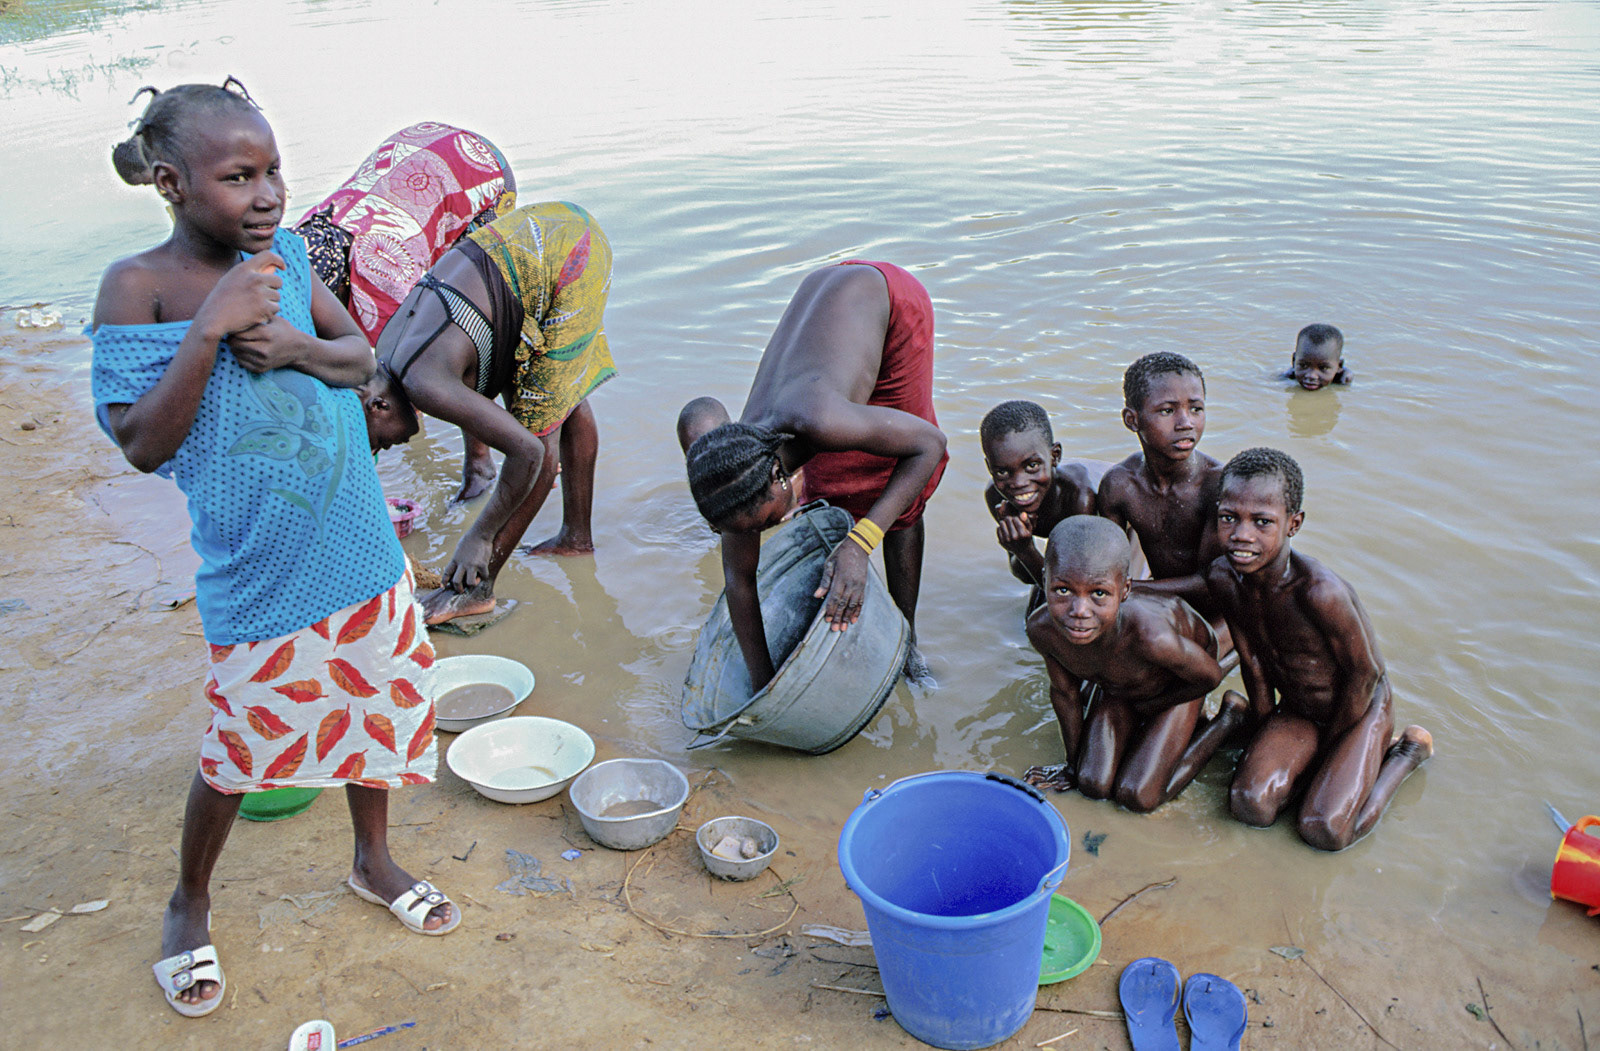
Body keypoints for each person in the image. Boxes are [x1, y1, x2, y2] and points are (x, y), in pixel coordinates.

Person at [93, 81, 456, 1018]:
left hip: (360, 546)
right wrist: (211, 323)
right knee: (239, 745)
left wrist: (293, 346)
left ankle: (372, 858)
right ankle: (189, 900)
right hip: (260, 568)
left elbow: (362, 360)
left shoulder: (289, 256)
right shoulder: (138, 287)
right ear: (172, 184)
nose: (266, 195)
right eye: (238, 177)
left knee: (376, 709)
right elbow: (141, 442)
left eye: (273, 171)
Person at [678, 261, 949, 688]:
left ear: (777, 476)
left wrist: (860, 543)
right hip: (826, 309)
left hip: (888, 298)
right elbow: (739, 582)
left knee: (893, 486)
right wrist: (764, 687)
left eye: (768, 521)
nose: (769, 529)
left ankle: (908, 639)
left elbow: (929, 445)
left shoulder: (819, 419)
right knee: (834, 482)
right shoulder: (738, 476)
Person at [359, 200, 616, 625]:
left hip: (567, 254)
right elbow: (473, 379)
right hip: (538, 237)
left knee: (541, 425)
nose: (391, 446)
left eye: (379, 442)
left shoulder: (422, 383)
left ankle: (478, 590)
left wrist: (478, 537)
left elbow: (530, 452)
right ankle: (576, 538)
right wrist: (476, 467)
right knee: (558, 393)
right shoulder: (387, 352)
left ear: (379, 406)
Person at [1205, 448, 1431, 850]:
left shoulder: (1319, 592)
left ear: (1293, 524)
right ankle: (1323, 770)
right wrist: (1264, 729)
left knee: (1324, 830)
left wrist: (1329, 750)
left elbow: (1365, 675)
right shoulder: (1224, 578)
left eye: (1262, 522)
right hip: (1299, 708)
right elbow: (1252, 662)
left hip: (1359, 709)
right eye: (1229, 518)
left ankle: (1405, 755)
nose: (1242, 534)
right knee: (1250, 805)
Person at [295, 122, 517, 501]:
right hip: (414, 163)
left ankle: (480, 464)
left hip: (474, 172)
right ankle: (411, 425)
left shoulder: (386, 276)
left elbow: (469, 348)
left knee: (459, 332)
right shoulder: (293, 261)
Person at [1023, 517, 1245, 810]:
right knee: (1092, 784)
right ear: (1045, 580)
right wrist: (1071, 766)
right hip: (1120, 686)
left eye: (1099, 593)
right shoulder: (1041, 629)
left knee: (1138, 796)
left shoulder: (1151, 636)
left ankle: (1228, 719)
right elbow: (1065, 694)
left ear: (1125, 590)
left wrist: (1155, 705)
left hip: (1177, 683)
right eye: (1063, 590)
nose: (1079, 611)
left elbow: (1209, 677)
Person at [1097, 352, 1232, 655]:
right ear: (1132, 420)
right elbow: (1107, 564)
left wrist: (1130, 589)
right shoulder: (1119, 485)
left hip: (1224, 612)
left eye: (1196, 409)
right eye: (1168, 410)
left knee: (1180, 677)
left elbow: (1210, 584)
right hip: (1164, 603)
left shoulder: (1217, 485)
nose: (1186, 423)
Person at [979, 399, 1102, 598]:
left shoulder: (1079, 498)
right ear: (989, 468)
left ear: (1055, 456)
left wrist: (1027, 552)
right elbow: (1024, 574)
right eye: (1002, 472)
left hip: (1122, 533)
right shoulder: (996, 495)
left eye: (1032, 466)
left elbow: (1077, 589)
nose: (1018, 483)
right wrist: (1021, 548)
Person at [1282, 323, 1351, 391]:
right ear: (1294, 361)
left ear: (1339, 366)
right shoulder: (1289, 376)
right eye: (1303, 365)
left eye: (1323, 368)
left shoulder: (1343, 379)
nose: (1311, 376)